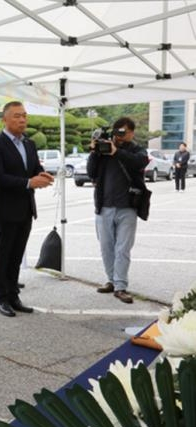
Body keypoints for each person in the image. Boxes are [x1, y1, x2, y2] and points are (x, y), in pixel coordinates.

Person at [0, 101, 54, 317]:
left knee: (16, 255)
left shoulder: (30, 144)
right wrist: (28, 183)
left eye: (24, 115)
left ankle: (14, 295)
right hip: (5, 209)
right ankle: (1, 297)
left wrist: (43, 174)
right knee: (3, 254)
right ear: (4, 119)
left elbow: (34, 168)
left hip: (25, 208)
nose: (22, 120)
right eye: (17, 116)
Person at [88, 117, 148, 304]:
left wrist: (117, 152)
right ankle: (111, 281)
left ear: (131, 133)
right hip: (104, 206)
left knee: (122, 248)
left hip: (128, 207)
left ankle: (120, 286)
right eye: (117, 132)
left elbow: (139, 163)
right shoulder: (103, 150)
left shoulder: (136, 150)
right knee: (106, 246)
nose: (120, 136)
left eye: (123, 133)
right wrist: (94, 152)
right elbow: (91, 173)